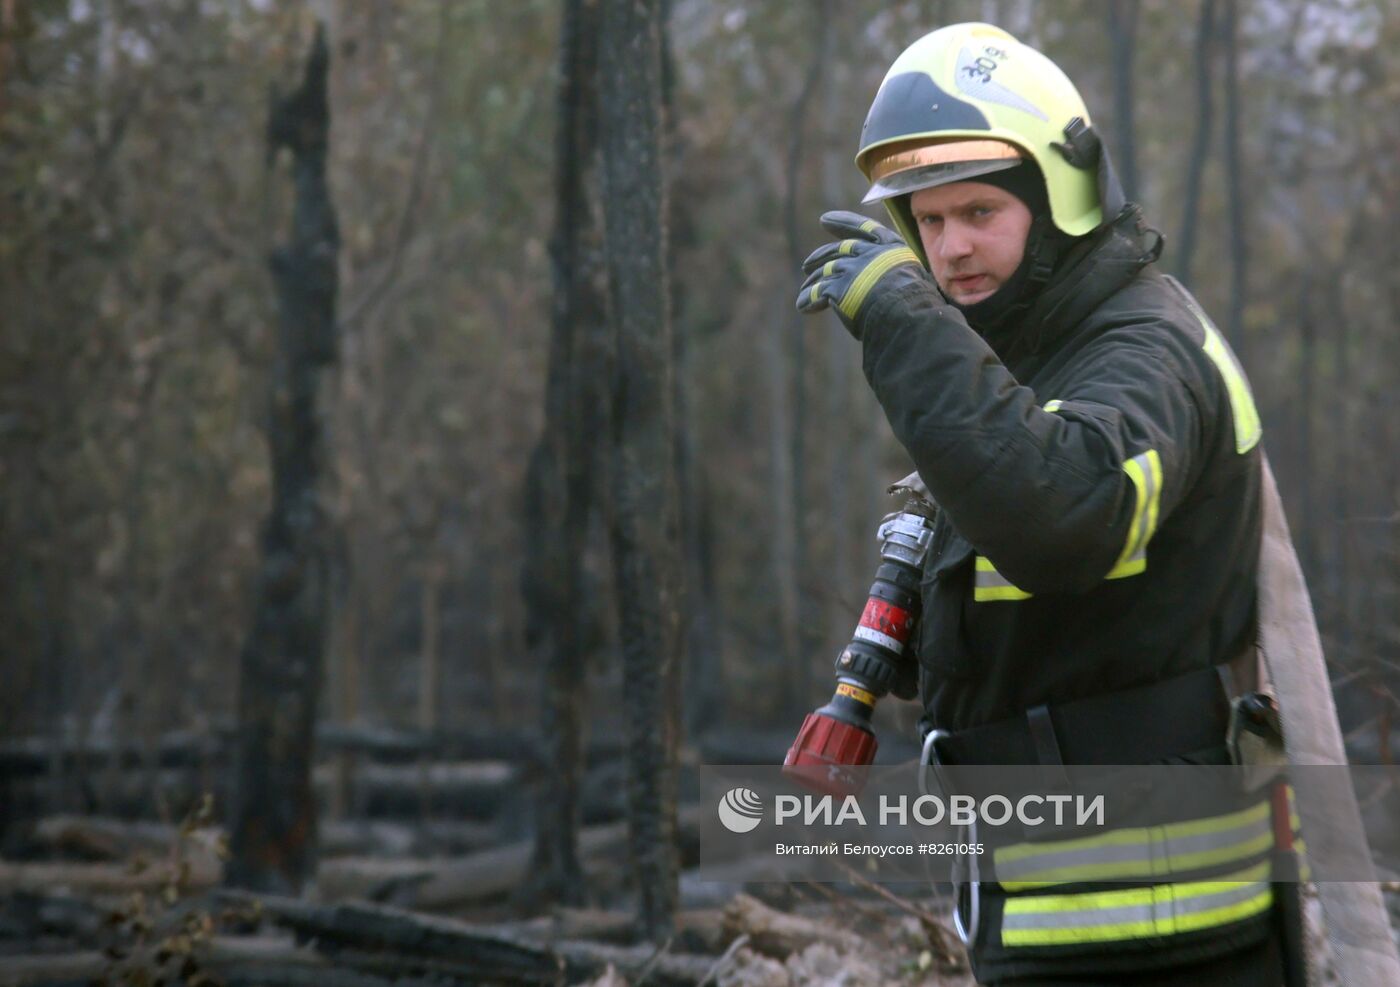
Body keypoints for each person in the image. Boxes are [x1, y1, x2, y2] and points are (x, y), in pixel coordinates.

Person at [796, 23, 1292, 987]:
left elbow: (1068, 514)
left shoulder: (1148, 350)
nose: (951, 247)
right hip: (1050, 925)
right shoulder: (1020, 363)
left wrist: (905, 325)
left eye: (979, 210)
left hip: (1172, 937)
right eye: (928, 222)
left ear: (1062, 197)